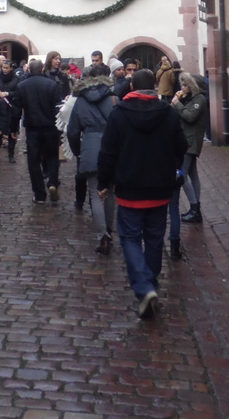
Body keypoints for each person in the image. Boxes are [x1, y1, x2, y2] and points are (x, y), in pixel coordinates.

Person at [96, 69, 187, 319]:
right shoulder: (168, 113)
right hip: (160, 188)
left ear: (131, 87)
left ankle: (144, 286)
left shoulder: (119, 114)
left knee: (130, 238)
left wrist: (103, 182)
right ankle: (151, 282)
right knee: (155, 238)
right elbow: (181, 146)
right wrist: (172, 167)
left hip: (129, 187)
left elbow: (107, 152)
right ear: (154, 86)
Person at [67, 70, 117, 254]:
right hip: (111, 147)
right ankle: (109, 230)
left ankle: (103, 236)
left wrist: (77, 151)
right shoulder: (113, 98)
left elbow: (72, 131)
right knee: (110, 191)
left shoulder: (80, 100)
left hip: (90, 146)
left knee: (95, 194)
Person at [16, 58, 63, 203]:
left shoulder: (22, 86)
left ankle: (39, 194)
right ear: (42, 69)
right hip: (50, 127)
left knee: (33, 161)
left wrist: (13, 128)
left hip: (33, 128)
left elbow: (16, 109)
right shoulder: (51, 84)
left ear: (29, 70)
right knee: (52, 156)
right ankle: (53, 182)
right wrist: (60, 127)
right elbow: (57, 107)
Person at [174, 72, 209, 224]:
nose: (182, 87)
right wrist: (178, 101)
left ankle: (195, 208)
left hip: (191, 143)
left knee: (182, 174)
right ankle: (196, 208)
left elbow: (190, 116)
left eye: (185, 85)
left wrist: (178, 103)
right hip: (186, 141)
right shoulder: (189, 98)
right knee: (193, 173)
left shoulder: (199, 99)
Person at [0, 56, 21, 161]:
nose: (4, 70)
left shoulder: (16, 79)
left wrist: (8, 93)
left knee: (11, 131)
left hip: (11, 107)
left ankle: (11, 154)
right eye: (3, 68)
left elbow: (18, 92)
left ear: (11, 68)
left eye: (6, 68)